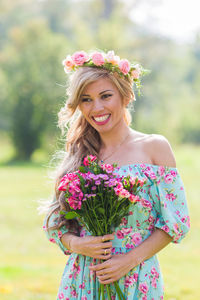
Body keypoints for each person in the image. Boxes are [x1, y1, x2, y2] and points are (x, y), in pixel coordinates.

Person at [43, 50, 190, 299]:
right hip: (84, 278)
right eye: (86, 99)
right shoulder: (79, 152)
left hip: (137, 276)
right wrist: (76, 244)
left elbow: (176, 222)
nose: (96, 107)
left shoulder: (155, 147)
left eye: (105, 96)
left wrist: (129, 260)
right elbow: (55, 223)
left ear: (125, 96)